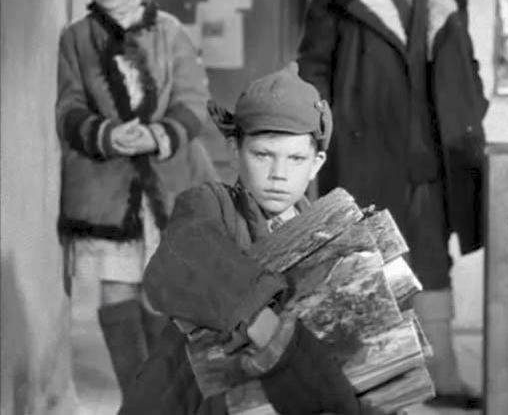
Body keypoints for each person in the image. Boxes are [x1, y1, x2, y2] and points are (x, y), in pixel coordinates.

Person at [296, 0, 488, 409]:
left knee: (433, 263)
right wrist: (320, 135)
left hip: (435, 156)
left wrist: (473, 106)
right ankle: (373, 389)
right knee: (368, 265)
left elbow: (465, 61)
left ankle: (443, 377)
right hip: (366, 152)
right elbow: (313, 72)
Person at [119, 65, 373, 415]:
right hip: (195, 398)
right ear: (234, 149)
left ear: (316, 164)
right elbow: (184, 258)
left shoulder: (330, 236)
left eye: (296, 158)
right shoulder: (208, 204)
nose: (279, 174)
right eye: (263, 155)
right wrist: (268, 327)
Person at [55, 0, 217, 398]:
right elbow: (68, 106)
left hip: (166, 182)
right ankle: (139, 398)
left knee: (162, 288)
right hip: (105, 185)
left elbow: (193, 97)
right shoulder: (77, 38)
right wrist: (106, 134)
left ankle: (166, 393)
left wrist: (159, 134)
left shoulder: (169, 31)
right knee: (116, 286)